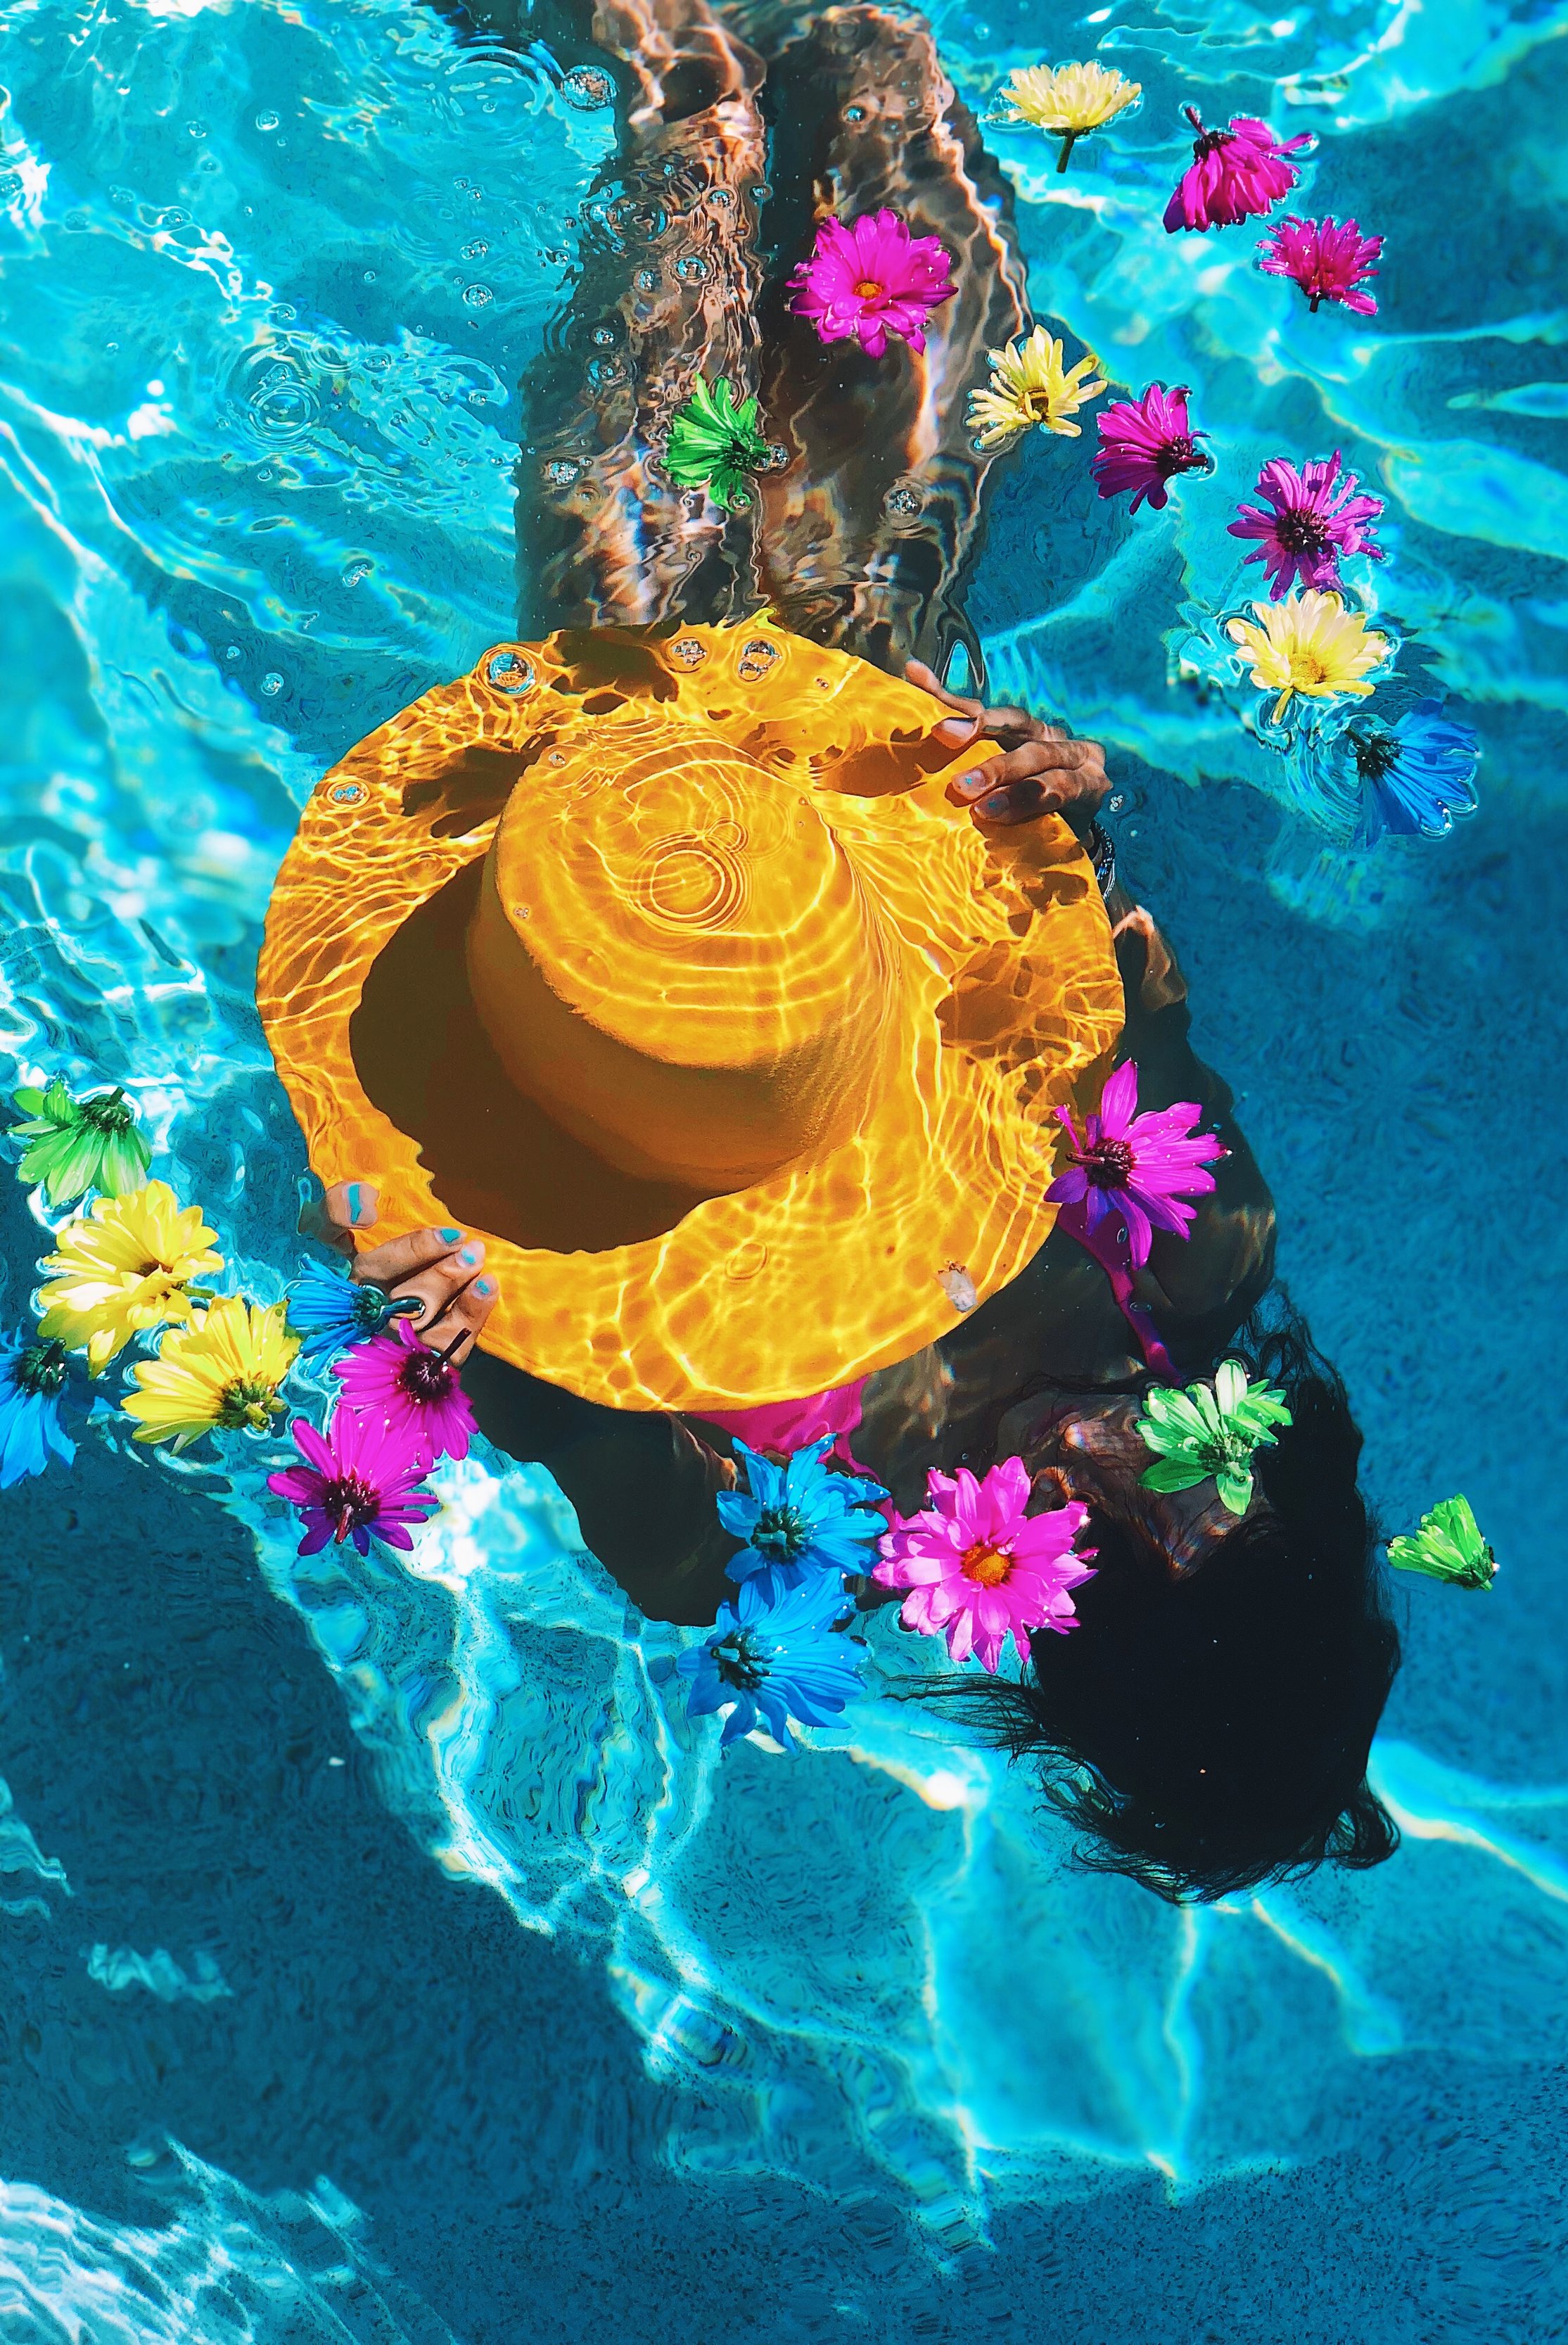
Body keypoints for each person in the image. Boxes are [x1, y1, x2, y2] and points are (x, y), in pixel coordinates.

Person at [260, 0, 1401, 1905]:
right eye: (1199, 1464)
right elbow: (1101, 947)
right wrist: (1069, 786)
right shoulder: (1182, 1252)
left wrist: (413, 1297)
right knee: (889, 128)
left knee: (687, 152)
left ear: (1032, 1631)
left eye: (1097, 1549)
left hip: (615, 812)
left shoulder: (729, 1533)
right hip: (860, 730)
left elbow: (473, 1300)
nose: (1109, 1460)